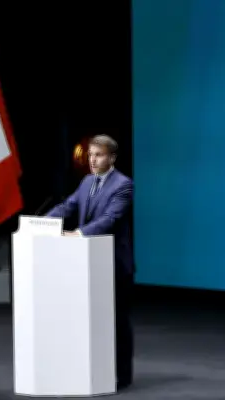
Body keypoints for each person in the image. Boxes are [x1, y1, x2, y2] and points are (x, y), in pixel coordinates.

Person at [45, 134, 134, 390]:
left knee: (117, 322)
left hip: (114, 265)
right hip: (87, 265)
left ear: (112, 158)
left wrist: (79, 233)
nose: (92, 160)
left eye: (99, 155)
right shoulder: (86, 181)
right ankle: (93, 371)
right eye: (91, 155)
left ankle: (122, 376)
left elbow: (110, 219)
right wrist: (42, 223)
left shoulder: (123, 185)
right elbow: (68, 206)